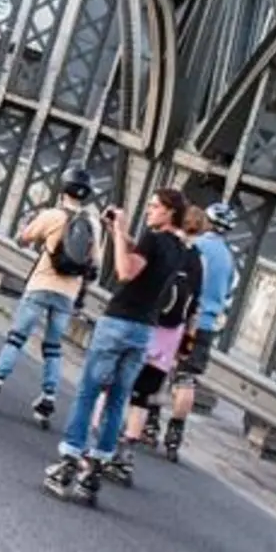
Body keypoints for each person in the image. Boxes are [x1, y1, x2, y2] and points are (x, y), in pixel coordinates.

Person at [43, 187, 189, 506]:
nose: (149, 211)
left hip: (119, 323)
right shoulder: (180, 248)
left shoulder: (153, 238)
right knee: (118, 399)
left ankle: (68, 461)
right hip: (144, 331)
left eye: (153, 206)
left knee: (89, 392)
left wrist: (121, 231)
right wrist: (117, 233)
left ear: (168, 212)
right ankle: (95, 469)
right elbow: (144, 263)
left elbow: (126, 272)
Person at [0, 166, 101, 425]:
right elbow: (95, 266)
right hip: (68, 292)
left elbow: (23, 239)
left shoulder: (53, 215)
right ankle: (47, 399)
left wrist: (29, 229)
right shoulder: (93, 225)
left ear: (63, 189)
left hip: (41, 283)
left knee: (17, 338)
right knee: (53, 347)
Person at [107, 204, 204, 485]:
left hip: (147, 323)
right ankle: (127, 452)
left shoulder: (168, 249)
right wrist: (186, 343)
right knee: (143, 395)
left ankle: (99, 439)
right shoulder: (197, 259)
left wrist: (118, 233)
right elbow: (194, 304)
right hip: (171, 335)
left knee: (114, 382)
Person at [161, 201, 236, 458]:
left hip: (181, 317)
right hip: (205, 326)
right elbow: (227, 295)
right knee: (187, 379)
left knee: (159, 368)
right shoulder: (229, 259)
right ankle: (175, 432)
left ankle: (149, 422)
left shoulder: (197, 247)